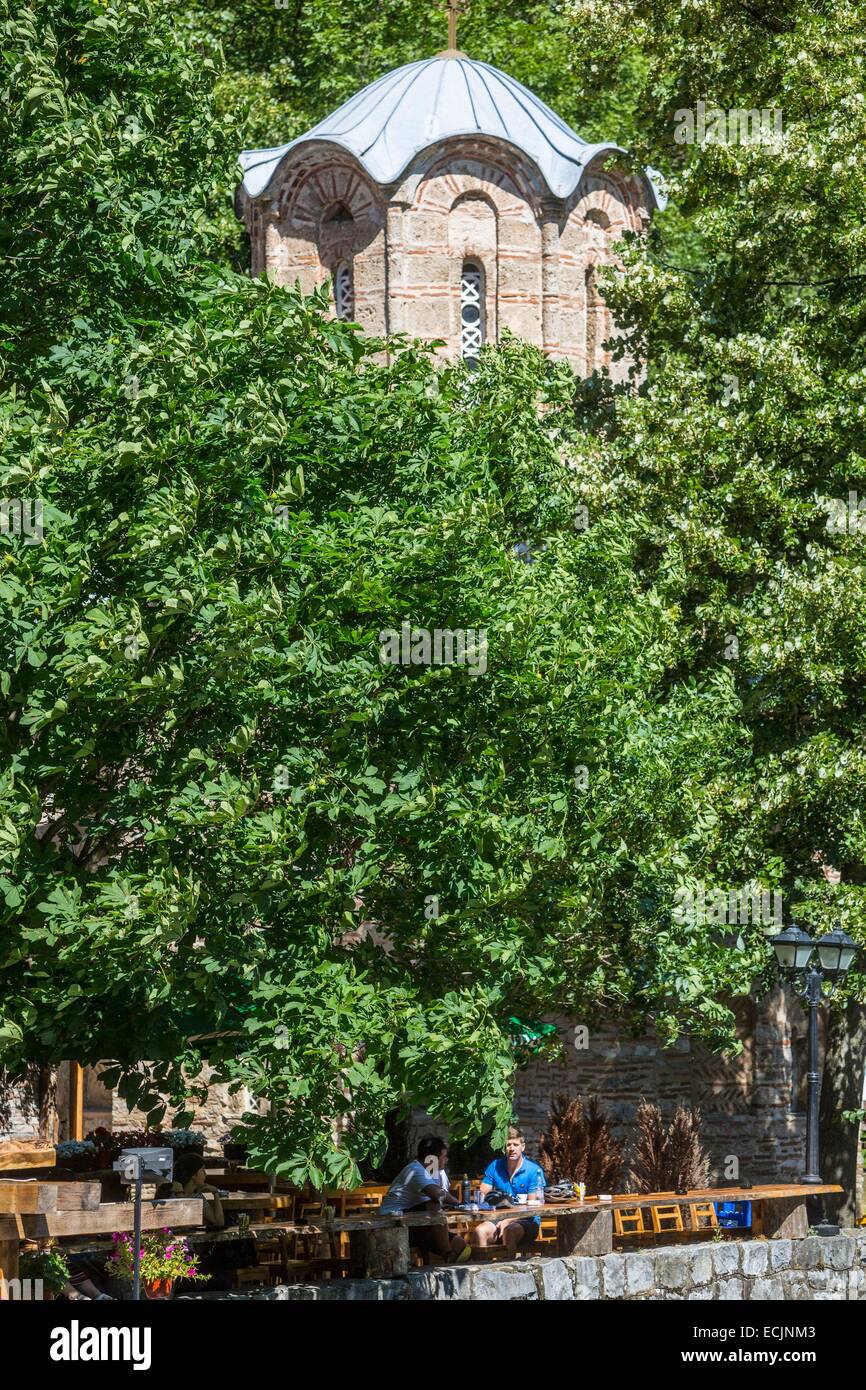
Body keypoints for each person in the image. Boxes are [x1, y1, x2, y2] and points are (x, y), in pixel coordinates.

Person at [379, 1135, 471, 1264]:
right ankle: (447, 1254)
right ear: (432, 1158)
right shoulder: (415, 1170)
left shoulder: (436, 1172)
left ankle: (445, 1265)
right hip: (394, 1223)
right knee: (434, 1205)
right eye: (443, 1156)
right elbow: (438, 1195)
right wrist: (460, 1204)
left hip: (418, 1223)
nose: (446, 1160)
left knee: (459, 1244)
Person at [472, 1125, 546, 1259]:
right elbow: (482, 1193)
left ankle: (508, 1271)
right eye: (508, 1145)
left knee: (509, 1231)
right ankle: (481, 1272)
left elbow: (532, 1208)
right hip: (498, 1218)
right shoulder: (495, 1166)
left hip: (526, 1221)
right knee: (480, 1231)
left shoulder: (534, 1170)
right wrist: (485, 1198)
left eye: (515, 1144)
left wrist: (509, 1220)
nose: (512, 1149)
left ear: (522, 1147)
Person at [157, 1151, 227, 1231]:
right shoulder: (171, 1193)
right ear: (193, 1174)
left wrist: (215, 1193)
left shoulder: (196, 1195)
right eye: (202, 1170)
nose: (205, 1174)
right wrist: (180, 1193)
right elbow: (186, 1225)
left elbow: (219, 1223)